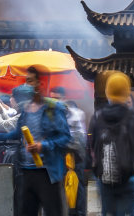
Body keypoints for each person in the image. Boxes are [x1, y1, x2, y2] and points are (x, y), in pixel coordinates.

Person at [0, 67, 72, 216]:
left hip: (47, 173)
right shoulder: (25, 109)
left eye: (30, 81)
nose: (27, 84)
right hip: (25, 172)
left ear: (41, 84)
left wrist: (42, 146)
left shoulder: (54, 108)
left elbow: (65, 137)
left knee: (53, 212)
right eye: (27, 80)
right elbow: (18, 133)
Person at [88, 72, 134, 216]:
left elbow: (92, 145)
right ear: (127, 92)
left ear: (108, 92)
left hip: (104, 178)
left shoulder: (96, 117)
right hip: (129, 177)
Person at [50, 86, 87, 216]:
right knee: (61, 187)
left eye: (56, 98)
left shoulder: (74, 113)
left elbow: (79, 137)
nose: (54, 101)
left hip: (75, 157)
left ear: (63, 98)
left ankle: (78, 213)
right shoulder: (53, 114)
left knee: (78, 188)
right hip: (60, 157)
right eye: (52, 99)